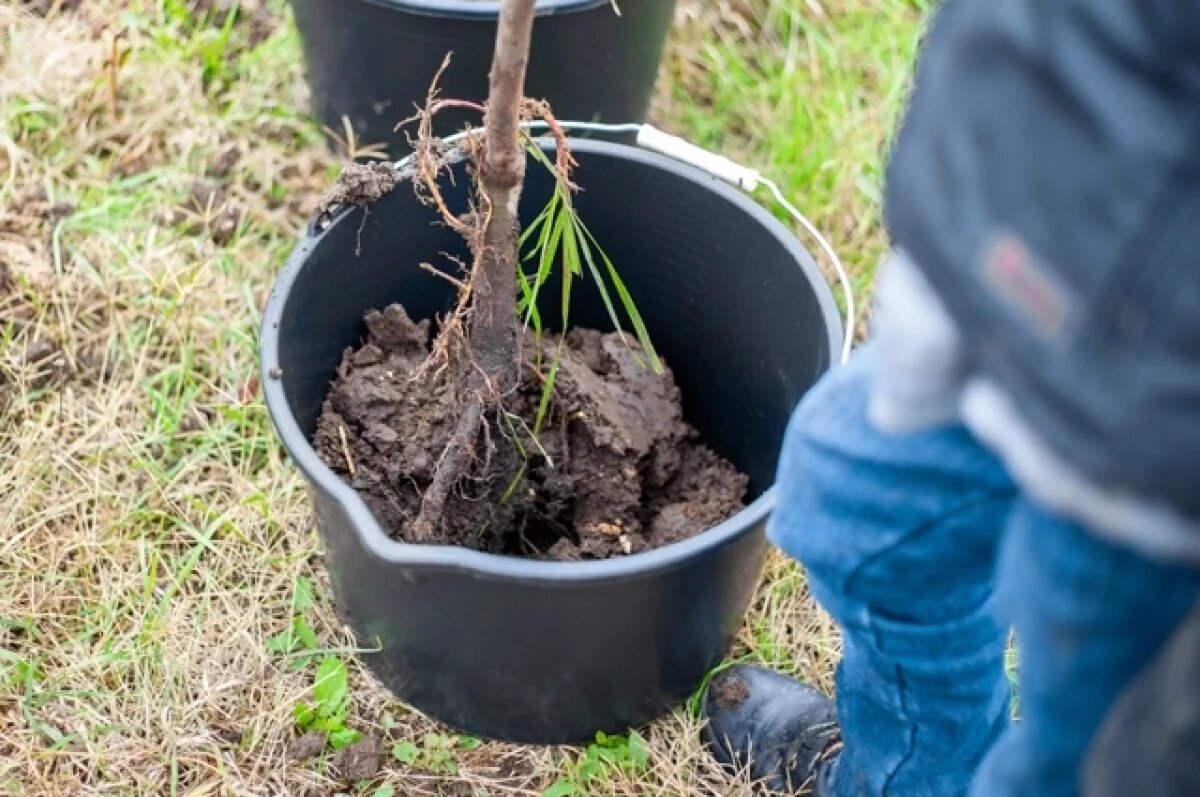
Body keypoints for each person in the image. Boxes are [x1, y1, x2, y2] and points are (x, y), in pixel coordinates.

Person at [700, 1, 1200, 795]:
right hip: (1055, 224)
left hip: (1159, 420)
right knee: (859, 497)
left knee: (1096, 740)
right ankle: (907, 777)